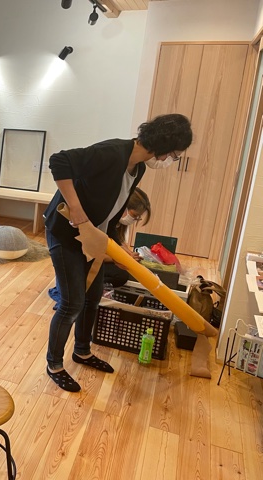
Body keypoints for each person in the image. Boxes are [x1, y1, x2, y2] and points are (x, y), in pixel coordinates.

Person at [43, 113, 192, 392]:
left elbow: (112, 211)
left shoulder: (138, 169)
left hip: (93, 237)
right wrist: (75, 207)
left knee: (92, 299)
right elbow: (59, 161)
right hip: (66, 234)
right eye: (173, 155)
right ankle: (54, 364)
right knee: (72, 303)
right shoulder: (112, 152)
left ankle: (82, 352)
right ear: (163, 145)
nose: (169, 161)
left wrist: (121, 250)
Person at [48, 186, 151, 303]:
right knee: (119, 275)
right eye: (135, 215)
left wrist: (128, 254)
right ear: (123, 207)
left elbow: (120, 241)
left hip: (96, 255)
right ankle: (76, 286)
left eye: (137, 218)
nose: (135, 219)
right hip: (84, 256)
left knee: (124, 272)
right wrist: (119, 258)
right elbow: (92, 253)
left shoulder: (116, 223)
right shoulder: (102, 218)